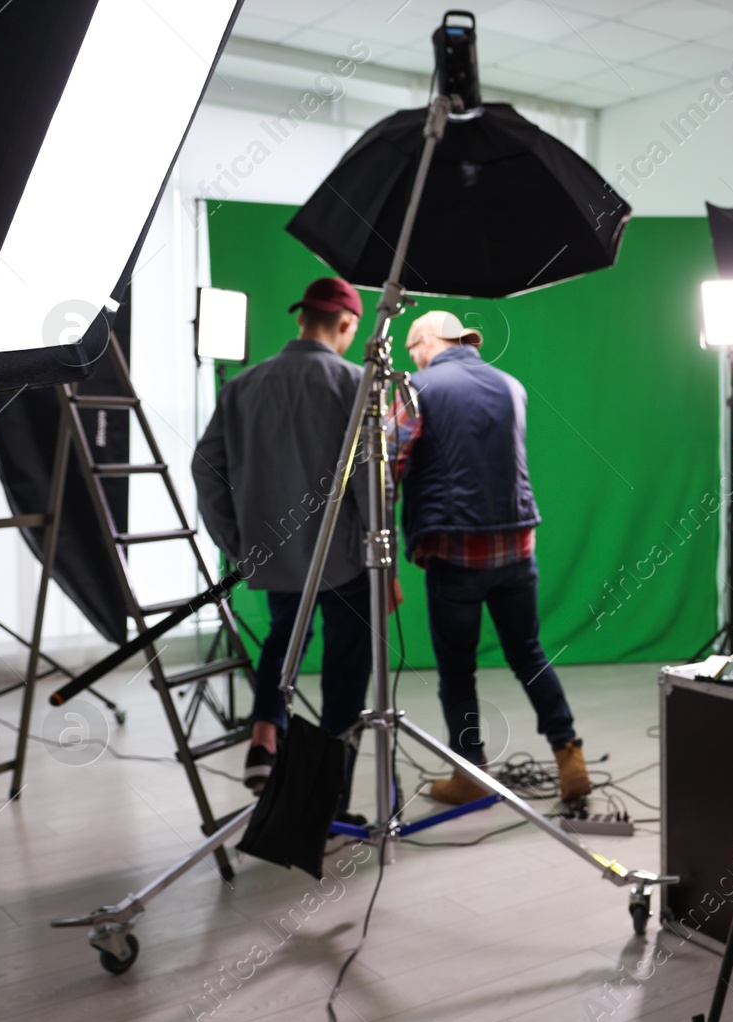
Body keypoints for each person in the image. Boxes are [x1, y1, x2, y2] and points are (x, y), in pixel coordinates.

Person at [193, 276, 390, 809]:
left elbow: (205, 468)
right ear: (348, 323)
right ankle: (330, 795)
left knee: (284, 641)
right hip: (346, 558)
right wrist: (383, 563)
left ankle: (264, 736)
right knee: (346, 673)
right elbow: (373, 480)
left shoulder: (241, 387)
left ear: (301, 317)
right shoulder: (355, 384)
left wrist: (236, 542)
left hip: (275, 557)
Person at [388, 310, 590, 805]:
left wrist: (387, 556)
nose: (410, 357)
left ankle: (471, 774)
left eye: (413, 347)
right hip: (517, 547)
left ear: (428, 342)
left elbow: (388, 465)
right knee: (528, 654)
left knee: (457, 669)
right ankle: (570, 756)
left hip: (455, 551)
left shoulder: (417, 386)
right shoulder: (510, 385)